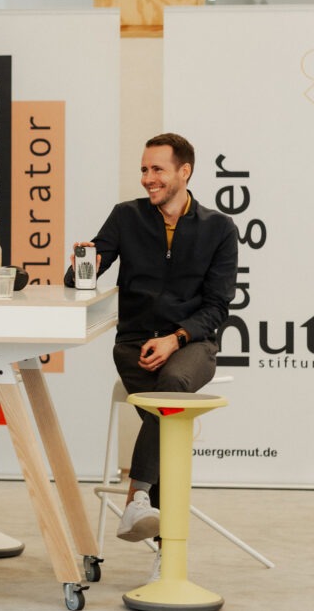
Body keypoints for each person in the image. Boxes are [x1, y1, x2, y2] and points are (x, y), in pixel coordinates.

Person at [65, 132, 237, 581]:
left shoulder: (219, 229)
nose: (147, 178)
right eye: (144, 169)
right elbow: (83, 275)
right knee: (168, 415)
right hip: (135, 344)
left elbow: (218, 307)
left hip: (192, 346)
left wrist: (176, 339)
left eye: (157, 169)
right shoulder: (126, 217)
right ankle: (166, 543)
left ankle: (136, 498)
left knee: (171, 389)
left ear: (185, 171)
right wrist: (82, 262)